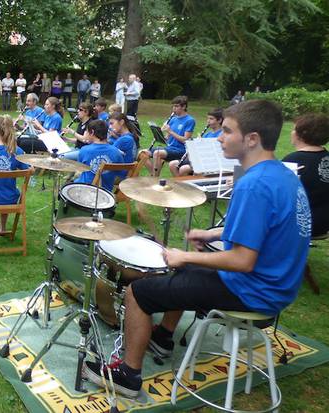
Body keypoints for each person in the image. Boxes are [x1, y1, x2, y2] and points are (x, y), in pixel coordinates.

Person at [83, 99, 311, 399]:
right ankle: (163, 336)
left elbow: (242, 260)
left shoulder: (253, 184)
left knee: (138, 293)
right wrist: (212, 232)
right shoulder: (281, 175)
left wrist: (184, 255)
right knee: (180, 268)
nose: (219, 137)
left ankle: (128, 375)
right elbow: (264, 230)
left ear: (252, 139)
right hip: (276, 286)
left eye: (227, 131)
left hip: (253, 292)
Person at [283, 113, 329, 236]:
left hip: (301, 223)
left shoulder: (293, 160)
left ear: (301, 134)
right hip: (324, 222)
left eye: (294, 129)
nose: (291, 132)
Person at [147, 95, 195, 176]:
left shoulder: (189, 120)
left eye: (176, 106)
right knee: (143, 153)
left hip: (180, 150)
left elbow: (185, 140)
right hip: (169, 148)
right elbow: (167, 138)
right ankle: (154, 174)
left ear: (184, 107)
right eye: (173, 106)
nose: (174, 108)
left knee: (157, 153)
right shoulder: (173, 119)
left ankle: (154, 179)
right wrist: (159, 134)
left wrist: (170, 131)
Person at [169, 108, 223, 177]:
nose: (208, 121)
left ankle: (187, 185)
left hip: (209, 162)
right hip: (200, 160)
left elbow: (214, 150)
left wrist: (202, 144)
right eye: (208, 118)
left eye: (211, 119)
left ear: (219, 120)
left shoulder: (221, 134)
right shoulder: (208, 134)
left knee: (183, 169)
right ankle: (181, 184)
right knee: (172, 164)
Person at [75, 119, 125, 192]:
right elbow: (120, 174)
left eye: (87, 132)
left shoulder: (85, 150)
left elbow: (79, 169)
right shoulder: (116, 152)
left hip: (84, 190)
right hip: (105, 192)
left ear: (92, 132)